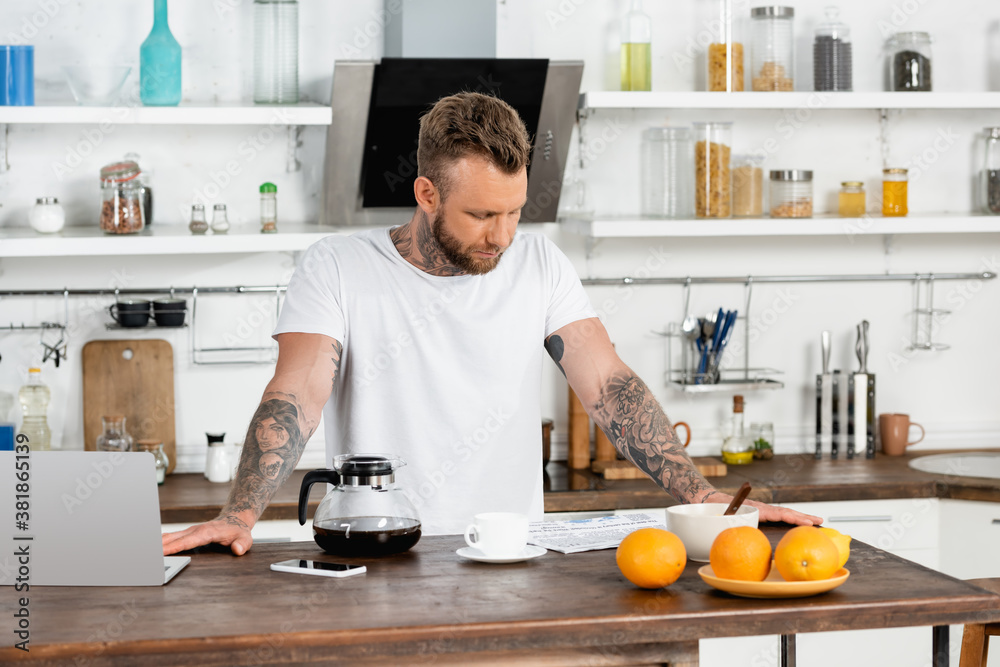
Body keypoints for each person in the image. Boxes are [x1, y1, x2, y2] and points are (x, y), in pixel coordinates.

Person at [163, 92, 819, 556]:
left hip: (509, 556)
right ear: (426, 195)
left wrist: (705, 495)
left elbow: (609, 387)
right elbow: (297, 394)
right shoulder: (337, 266)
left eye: (515, 211)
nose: (503, 235)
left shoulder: (540, 262)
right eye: (482, 215)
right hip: (379, 552)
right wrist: (240, 509)